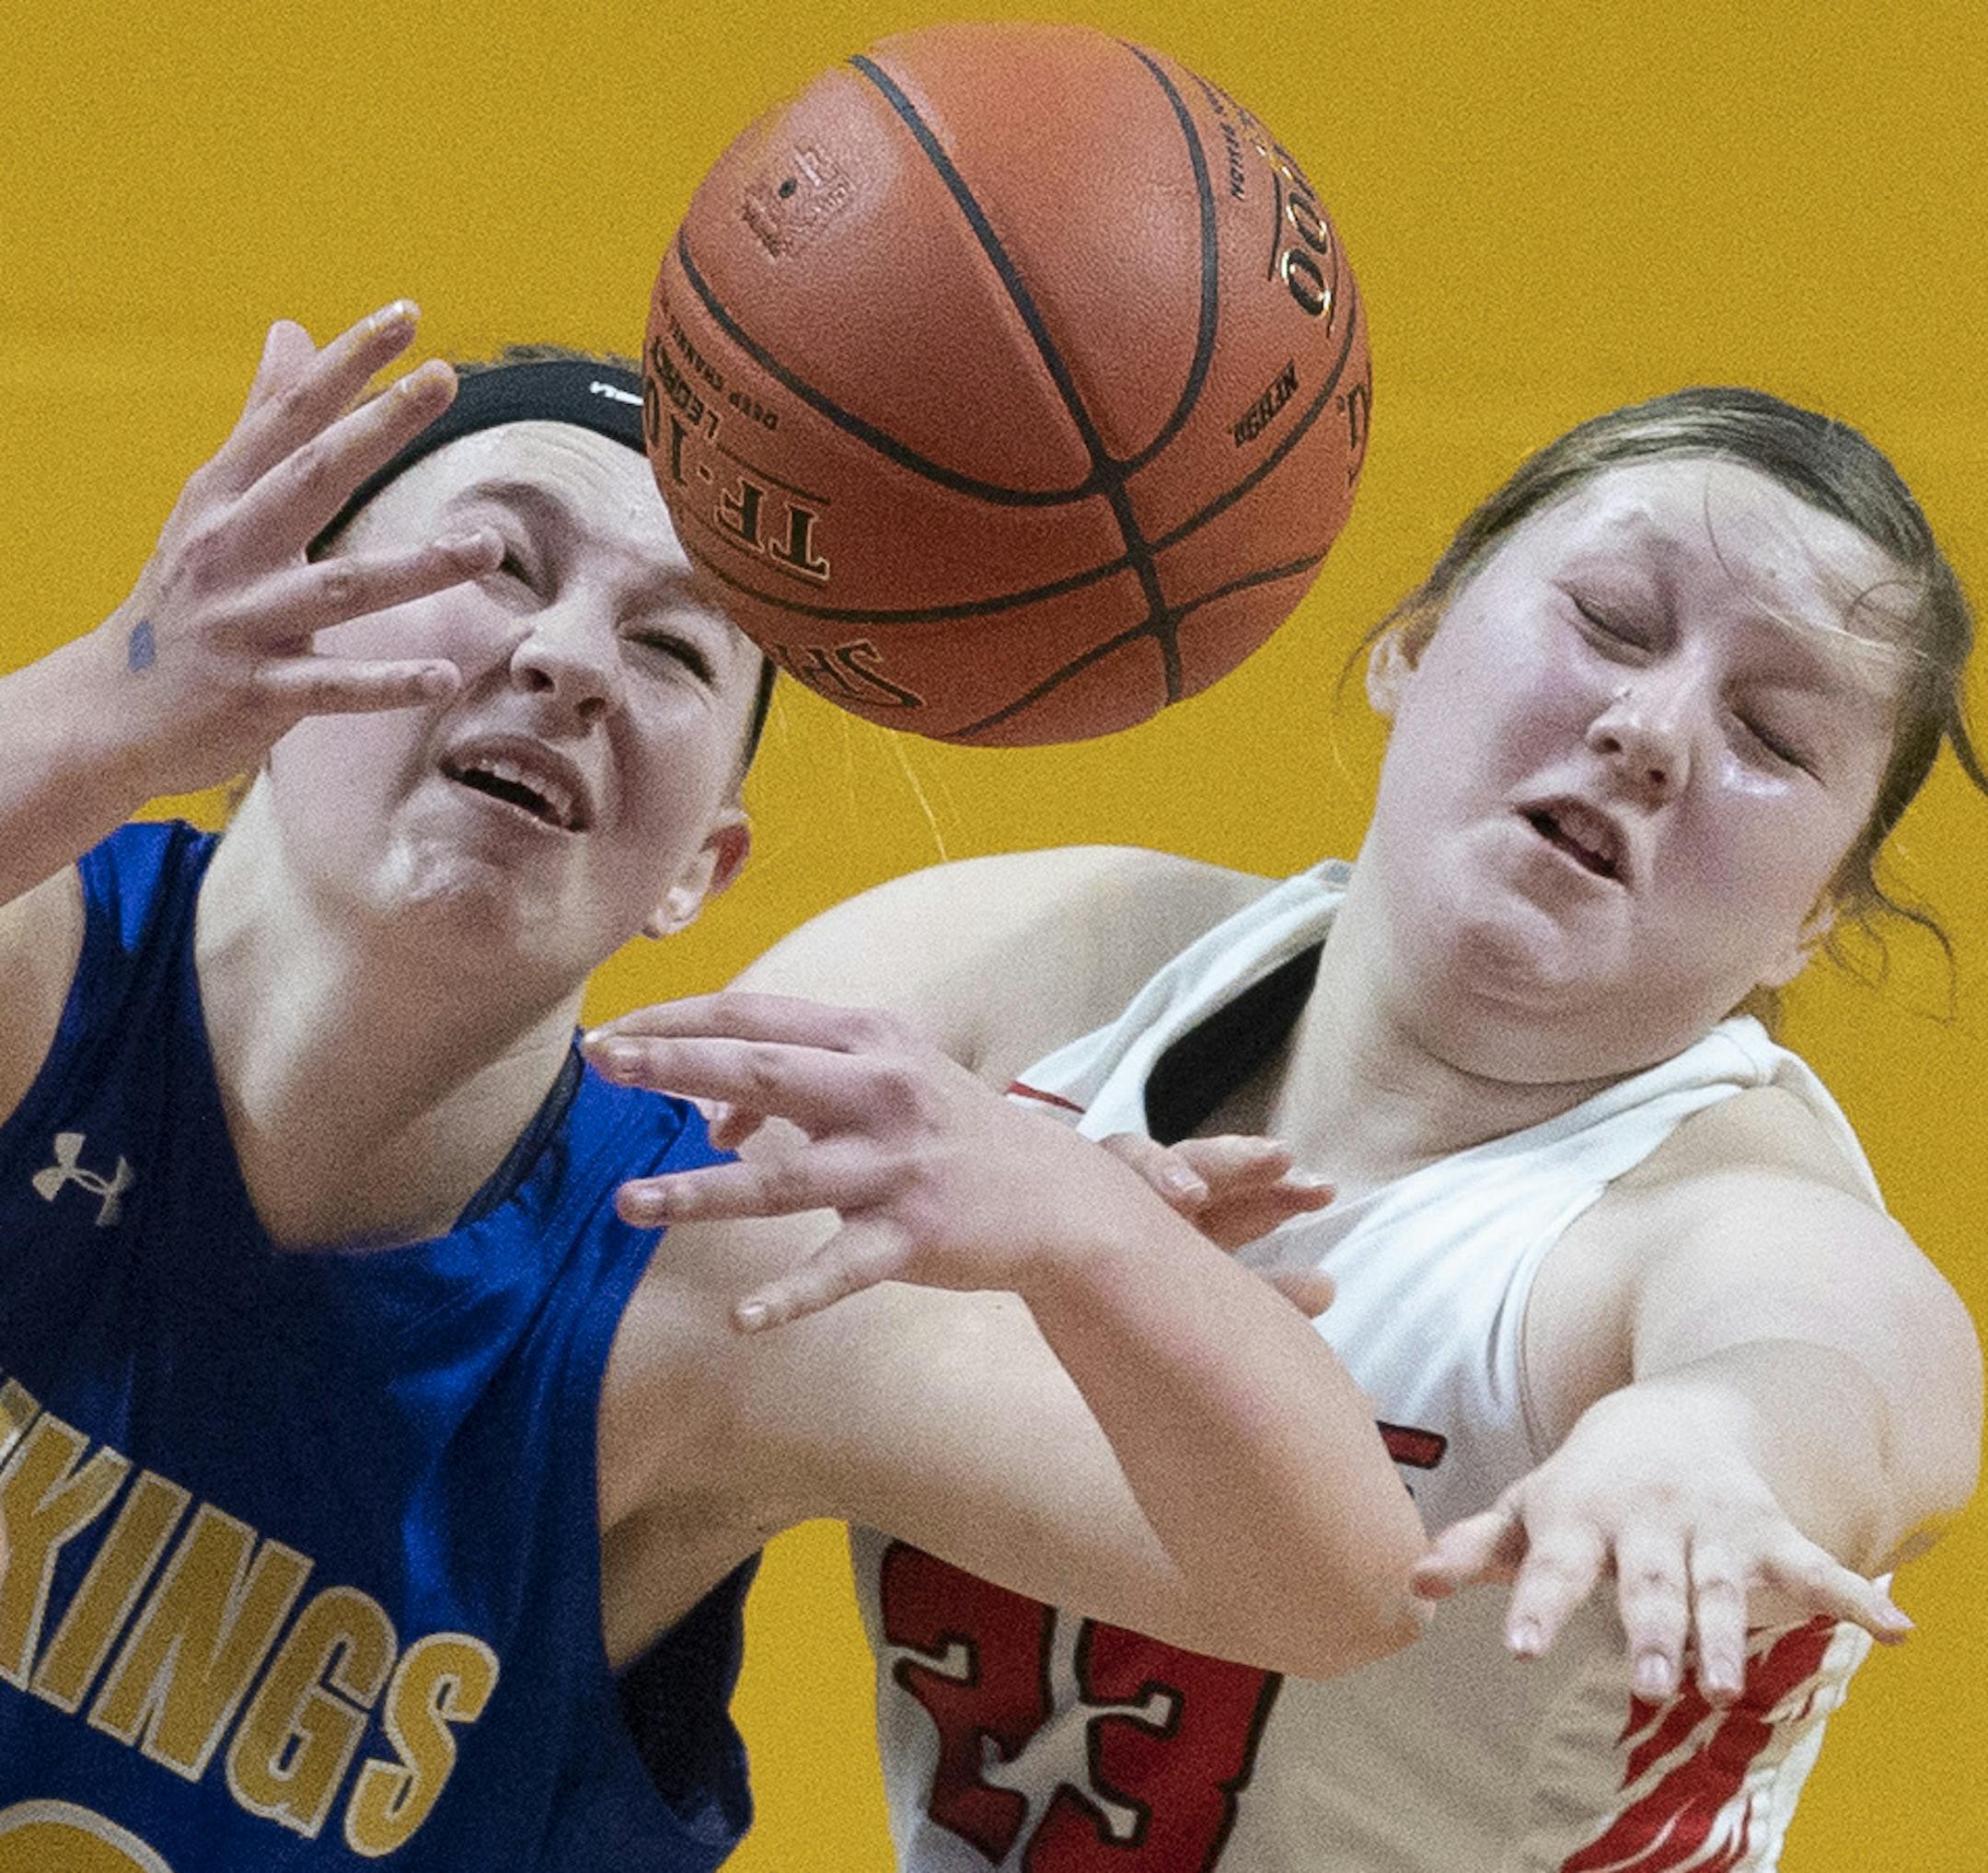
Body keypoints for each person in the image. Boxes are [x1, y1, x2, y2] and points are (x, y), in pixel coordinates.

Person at [0, 305, 1427, 1872]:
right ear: (284, 632)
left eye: (672, 647)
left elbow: (1340, 1588)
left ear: (700, 868)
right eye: (499, 566)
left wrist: (1091, 1239)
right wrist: (100, 705)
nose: (565, 661)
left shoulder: (698, 1284)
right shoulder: (40, 975)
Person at [590, 387, 1984, 1870]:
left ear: (1813, 917)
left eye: (1772, 733)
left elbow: (1856, 1374)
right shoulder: (1036, 970)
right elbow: (560, 1256)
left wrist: (1714, 1435)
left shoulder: (1719, 1211)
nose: (1650, 731)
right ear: (1415, 642)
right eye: (1615, 623)